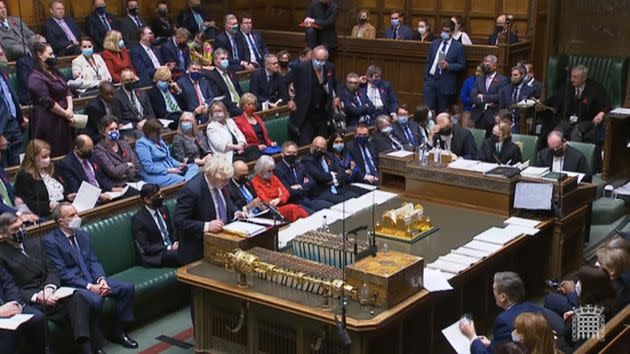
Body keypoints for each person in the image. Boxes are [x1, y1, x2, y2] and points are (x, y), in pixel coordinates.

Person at [0, 212, 106, 354]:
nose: (20, 231)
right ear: (4, 234)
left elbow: (52, 270)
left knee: (79, 298)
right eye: (14, 230)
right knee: (39, 318)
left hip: (52, 291)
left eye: (21, 226)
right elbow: (11, 286)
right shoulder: (2, 254)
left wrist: (49, 288)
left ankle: (88, 348)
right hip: (32, 298)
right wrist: (38, 296)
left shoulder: (35, 242)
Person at [44, 203, 139, 349]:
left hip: (93, 279)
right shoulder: (51, 241)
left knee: (127, 288)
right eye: (72, 216)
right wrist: (89, 286)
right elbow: (62, 273)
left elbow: (93, 260)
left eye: (76, 213)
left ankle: (119, 331)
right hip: (75, 286)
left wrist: (101, 280)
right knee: (95, 300)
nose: (77, 217)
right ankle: (96, 345)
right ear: (61, 222)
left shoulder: (83, 234)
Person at [459, 272, 559, 354]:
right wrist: (491, 344)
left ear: (503, 297)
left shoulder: (504, 321)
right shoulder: (535, 307)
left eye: (494, 290)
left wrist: (472, 337)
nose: (493, 293)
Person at [174, 156, 246, 263]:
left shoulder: (220, 182)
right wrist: (207, 226)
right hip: (200, 248)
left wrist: (235, 211)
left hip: (223, 240)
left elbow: (226, 202)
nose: (227, 183)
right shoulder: (192, 190)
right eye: (224, 180)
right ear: (212, 174)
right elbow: (179, 221)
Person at [28, 42, 74, 157]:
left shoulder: (55, 72)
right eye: (51, 54)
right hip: (49, 121)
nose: (53, 57)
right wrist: (65, 113)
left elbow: (66, 89)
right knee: (54, 153)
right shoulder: (35, 77)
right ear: (40, 55)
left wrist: (70, 109)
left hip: (64, 119)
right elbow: (47, 101)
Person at [286, 45, 340, 145]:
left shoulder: (330, 67)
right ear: (313, 57)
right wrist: (289, 100)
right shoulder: (301, 68)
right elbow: (284, 82)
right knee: (305, 145)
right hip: (306, 113)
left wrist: (337, 97)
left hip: (323, 114)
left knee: (322, 144)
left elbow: (336, 83)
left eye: (322, 60)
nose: (320, 62)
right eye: (317, 59)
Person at [57, 134, 136, 202]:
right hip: (88, 198)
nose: (90, 153)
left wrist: (111, 188)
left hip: (105, 192)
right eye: (86, 151)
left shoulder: (93, 155)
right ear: (77, 149)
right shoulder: (66, 164)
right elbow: (77, 188)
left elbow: (101, 177)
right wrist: (99, 195)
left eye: (91, 149)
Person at [548, 64, 609, 144]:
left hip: (587, 121)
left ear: (584, 78)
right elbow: (556, 98)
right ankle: (553, 155)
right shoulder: (568, 86)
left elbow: (606, 105)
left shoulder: (595, 88)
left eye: (575, 77)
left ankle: (575, 155)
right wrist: (543, 104)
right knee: (556, 133)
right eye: (571, 76)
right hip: (568, 120)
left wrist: (602, 113)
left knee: (576, 132)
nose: (572, 79)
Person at [14, 139, 72, 218]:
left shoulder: (53, 168)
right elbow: (30, 203)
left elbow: (59, 190)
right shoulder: (24, 176)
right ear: (33, 157)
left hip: (64, 209)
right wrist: (48, 205)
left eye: (49, 155)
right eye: (44, 156)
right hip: (45, 216)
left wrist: (67, 196)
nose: (48, 159)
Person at [136, 118, 198, 187]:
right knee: (179, 179)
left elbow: (169, 158)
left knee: (193, 166)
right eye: (158, 133)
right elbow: (149, 167)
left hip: (172, 169)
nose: (160, 135)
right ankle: (189, 183)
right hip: (156, 175)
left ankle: (187, 182)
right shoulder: (142, 144)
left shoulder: (159, 140)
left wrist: (180, 164)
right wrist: (169, 170)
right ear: (151, 133)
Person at [275, 141, 333, 213]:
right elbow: (288, 191)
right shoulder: (278, 169)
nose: (292, 155)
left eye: (294, 153)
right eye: (289, 152)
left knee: (330, 206)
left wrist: (299, 186)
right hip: (294, 203)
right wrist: (304, 186)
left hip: (307, 198)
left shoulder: (299, 165)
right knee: (313, 215)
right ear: (282, 154)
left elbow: (312, 183)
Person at [0, 265, 47, 354]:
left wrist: (15, 303)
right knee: (6, 331)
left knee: (37, 318)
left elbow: (8, 282)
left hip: (7, 304)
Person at [132, 184, 181, 267]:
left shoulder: (163, 209)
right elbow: (146, 247)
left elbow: (171, 231)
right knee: (181, 254)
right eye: (158, 196)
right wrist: (169, 247)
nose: (161, 197)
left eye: (162, 194)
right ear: (147, 200)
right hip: (156, 255)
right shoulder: (139, 219)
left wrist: (176, 241)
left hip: (172, 248)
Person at [424, 20, 467, 113]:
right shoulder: (435, 43)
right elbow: (428, 61)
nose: (444, 33)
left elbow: (462, 65)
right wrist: (427, 78)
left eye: (447, 31)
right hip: (431, 80)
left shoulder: (458, 47)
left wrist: (449, 66)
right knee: (428, 110)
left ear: (452, 32)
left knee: (443, 111)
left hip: (445, 82)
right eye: (443, 31)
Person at [302, 136, 360, 203]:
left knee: (356, 197)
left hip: (337, 187)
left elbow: (341, 171)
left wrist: (335, 180)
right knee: (345, 202)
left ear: (325, 148)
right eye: (317, 147)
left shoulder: (328, 156)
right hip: (323, 191)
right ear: (311, 146)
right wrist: (333, 174)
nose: (319, 150)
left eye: (322, 148)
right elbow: (320, 176)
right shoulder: (307, 160)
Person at [251, 155, 309, 222]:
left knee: (299, 208)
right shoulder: (256, 182)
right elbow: (266, 201)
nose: (271, 173)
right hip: (272, 212)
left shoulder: (273, 177)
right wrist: (279, 195)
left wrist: (279, 199)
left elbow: (286, 193)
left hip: (283, 205)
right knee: (293, 209)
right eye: (269, 171)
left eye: (272, 170)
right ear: (261, 170)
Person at [93, 115, 141, 185]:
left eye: (116, 128)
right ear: (103, 132)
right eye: (111, 129)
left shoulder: (124, 144)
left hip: (133, 180)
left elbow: (137, 165)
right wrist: (128, 165)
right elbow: (113, 172)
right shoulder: (99, 150)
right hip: (118, 185)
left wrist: (124, 172)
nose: (115, 131)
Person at [471, 54, 509, 135]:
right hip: (479, 115)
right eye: (484, 64)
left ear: (494, 66)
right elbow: (473, 96)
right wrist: (486, 100)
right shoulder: (479, 79)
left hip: (493, 116)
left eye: (487, 64)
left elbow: (499, 97)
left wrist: (483, 97)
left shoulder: (502, 80)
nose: (485, 66)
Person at [116, 68, 156, 140]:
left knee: (164, 130)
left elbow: (151, 113)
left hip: (146, 123)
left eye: (132, 80)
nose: (130, 82)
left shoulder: (141, 93)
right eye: (127, 80)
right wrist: (137, 125)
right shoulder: (117, 97)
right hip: (131, 128)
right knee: (141, 135)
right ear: (121, 81)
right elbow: (120, 120)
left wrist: (145, 120)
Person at [498, 65, 536, 133]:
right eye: (512, 75)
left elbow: (531, 111)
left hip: (521, 122)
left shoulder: (530, 90)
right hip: (506, 120)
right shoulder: (505, 89)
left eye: (515, 75)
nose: (512, 77)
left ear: (522, 75)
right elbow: (501, 107)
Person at [207, 48, 244, 116]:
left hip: (240, 104)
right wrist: (236, 105)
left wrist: (244, 102)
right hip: (228, 107)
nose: (225, 61)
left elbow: (239, 90)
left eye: (226, 58)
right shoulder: (212, 76)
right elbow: (220, 98)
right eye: (222, 59)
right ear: (215, 61)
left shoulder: (231, 72)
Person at [0, 66, 23, 167]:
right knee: (4, 169)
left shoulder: (3, 70)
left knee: (18, 165)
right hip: (2, 129)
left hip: (14, 123)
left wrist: (20, 116)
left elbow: (10, 95)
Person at [597, 246, 630, 313]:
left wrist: (573, 293)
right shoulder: (618, 279)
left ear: (612, 271)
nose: (596, 265)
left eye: (600, 264)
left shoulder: (609, 293)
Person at [16, 34, 45, 105]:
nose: (47, 47)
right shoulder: (23, 63)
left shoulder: (48, 59)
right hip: (33, 100)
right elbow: (26, 84)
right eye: (44, 44)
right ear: (36, 48)